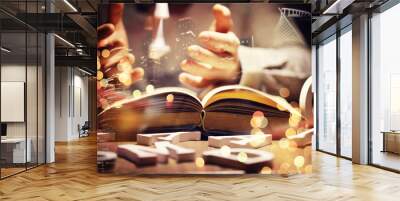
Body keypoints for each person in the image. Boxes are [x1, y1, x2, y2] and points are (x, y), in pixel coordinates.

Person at [97, 3, 310, 107]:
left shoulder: (251, 6)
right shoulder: (118, 12)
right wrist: (104, 78)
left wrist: (240, 66)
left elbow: (305, 62)